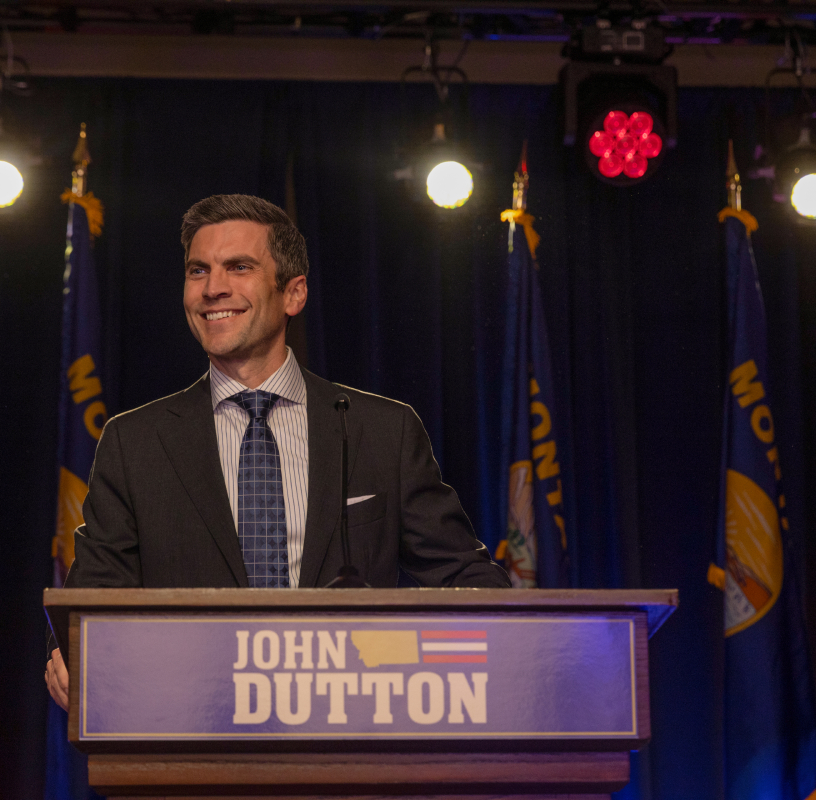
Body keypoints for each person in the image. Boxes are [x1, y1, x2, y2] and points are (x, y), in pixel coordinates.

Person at [45, 194, 508, 710]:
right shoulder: (135, 443)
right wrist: (72, 653)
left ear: (294, 293)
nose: (212, 287)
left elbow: (466, 580)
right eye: (198, 271)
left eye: (238, 267)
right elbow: (90, 599)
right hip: (193, 735)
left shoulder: (383, 431)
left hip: (349, 734)